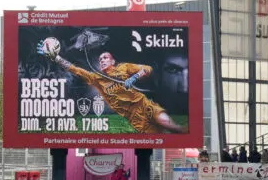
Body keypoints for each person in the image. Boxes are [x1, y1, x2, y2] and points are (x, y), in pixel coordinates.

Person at [38, 41, 186, 134]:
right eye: (100, 58)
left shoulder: (124, 68)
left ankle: (183, 132)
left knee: (168, 124)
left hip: (143, 104)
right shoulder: (96, 79)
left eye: (105, 57)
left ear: (113, 61)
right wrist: (56, 58)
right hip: (132, 116)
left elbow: (147, 69)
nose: (102, 60)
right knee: (160, 135)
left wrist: (134, 77)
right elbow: (74, 69)